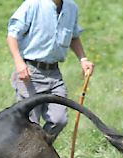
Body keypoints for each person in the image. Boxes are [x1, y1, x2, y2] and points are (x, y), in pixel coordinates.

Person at [7, 0, 95, 136]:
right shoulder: (33, 4)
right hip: (30, 71)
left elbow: (73, 36)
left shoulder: (71, 7)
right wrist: (19, 63)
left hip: (54, 73)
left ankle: (41, 150)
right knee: (30, 124)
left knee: (59, 119)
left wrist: (83, 59)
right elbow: (12, 35)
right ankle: (31, 155)